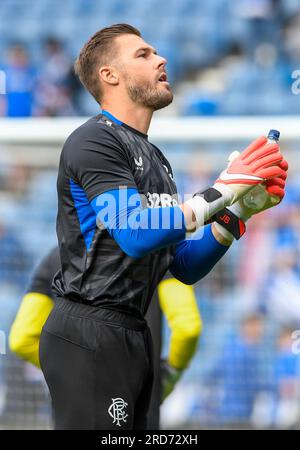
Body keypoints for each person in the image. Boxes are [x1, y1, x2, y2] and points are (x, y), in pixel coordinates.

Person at [37, 23, 287, 429]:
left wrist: (236, 213)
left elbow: (182, 266)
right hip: (89, 334)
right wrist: (222, 189)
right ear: (109, 76)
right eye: (143, 54)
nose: (161, 59)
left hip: (134, 333)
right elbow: (135, 233)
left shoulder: (157, 160)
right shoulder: (93, 141)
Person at [9, 247, 202, 428]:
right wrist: (170, 375)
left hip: (72, 408)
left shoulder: (59, 255)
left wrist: (70, 371)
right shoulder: (159, 251)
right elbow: (187, 328)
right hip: (135, 402)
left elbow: (21, 339)